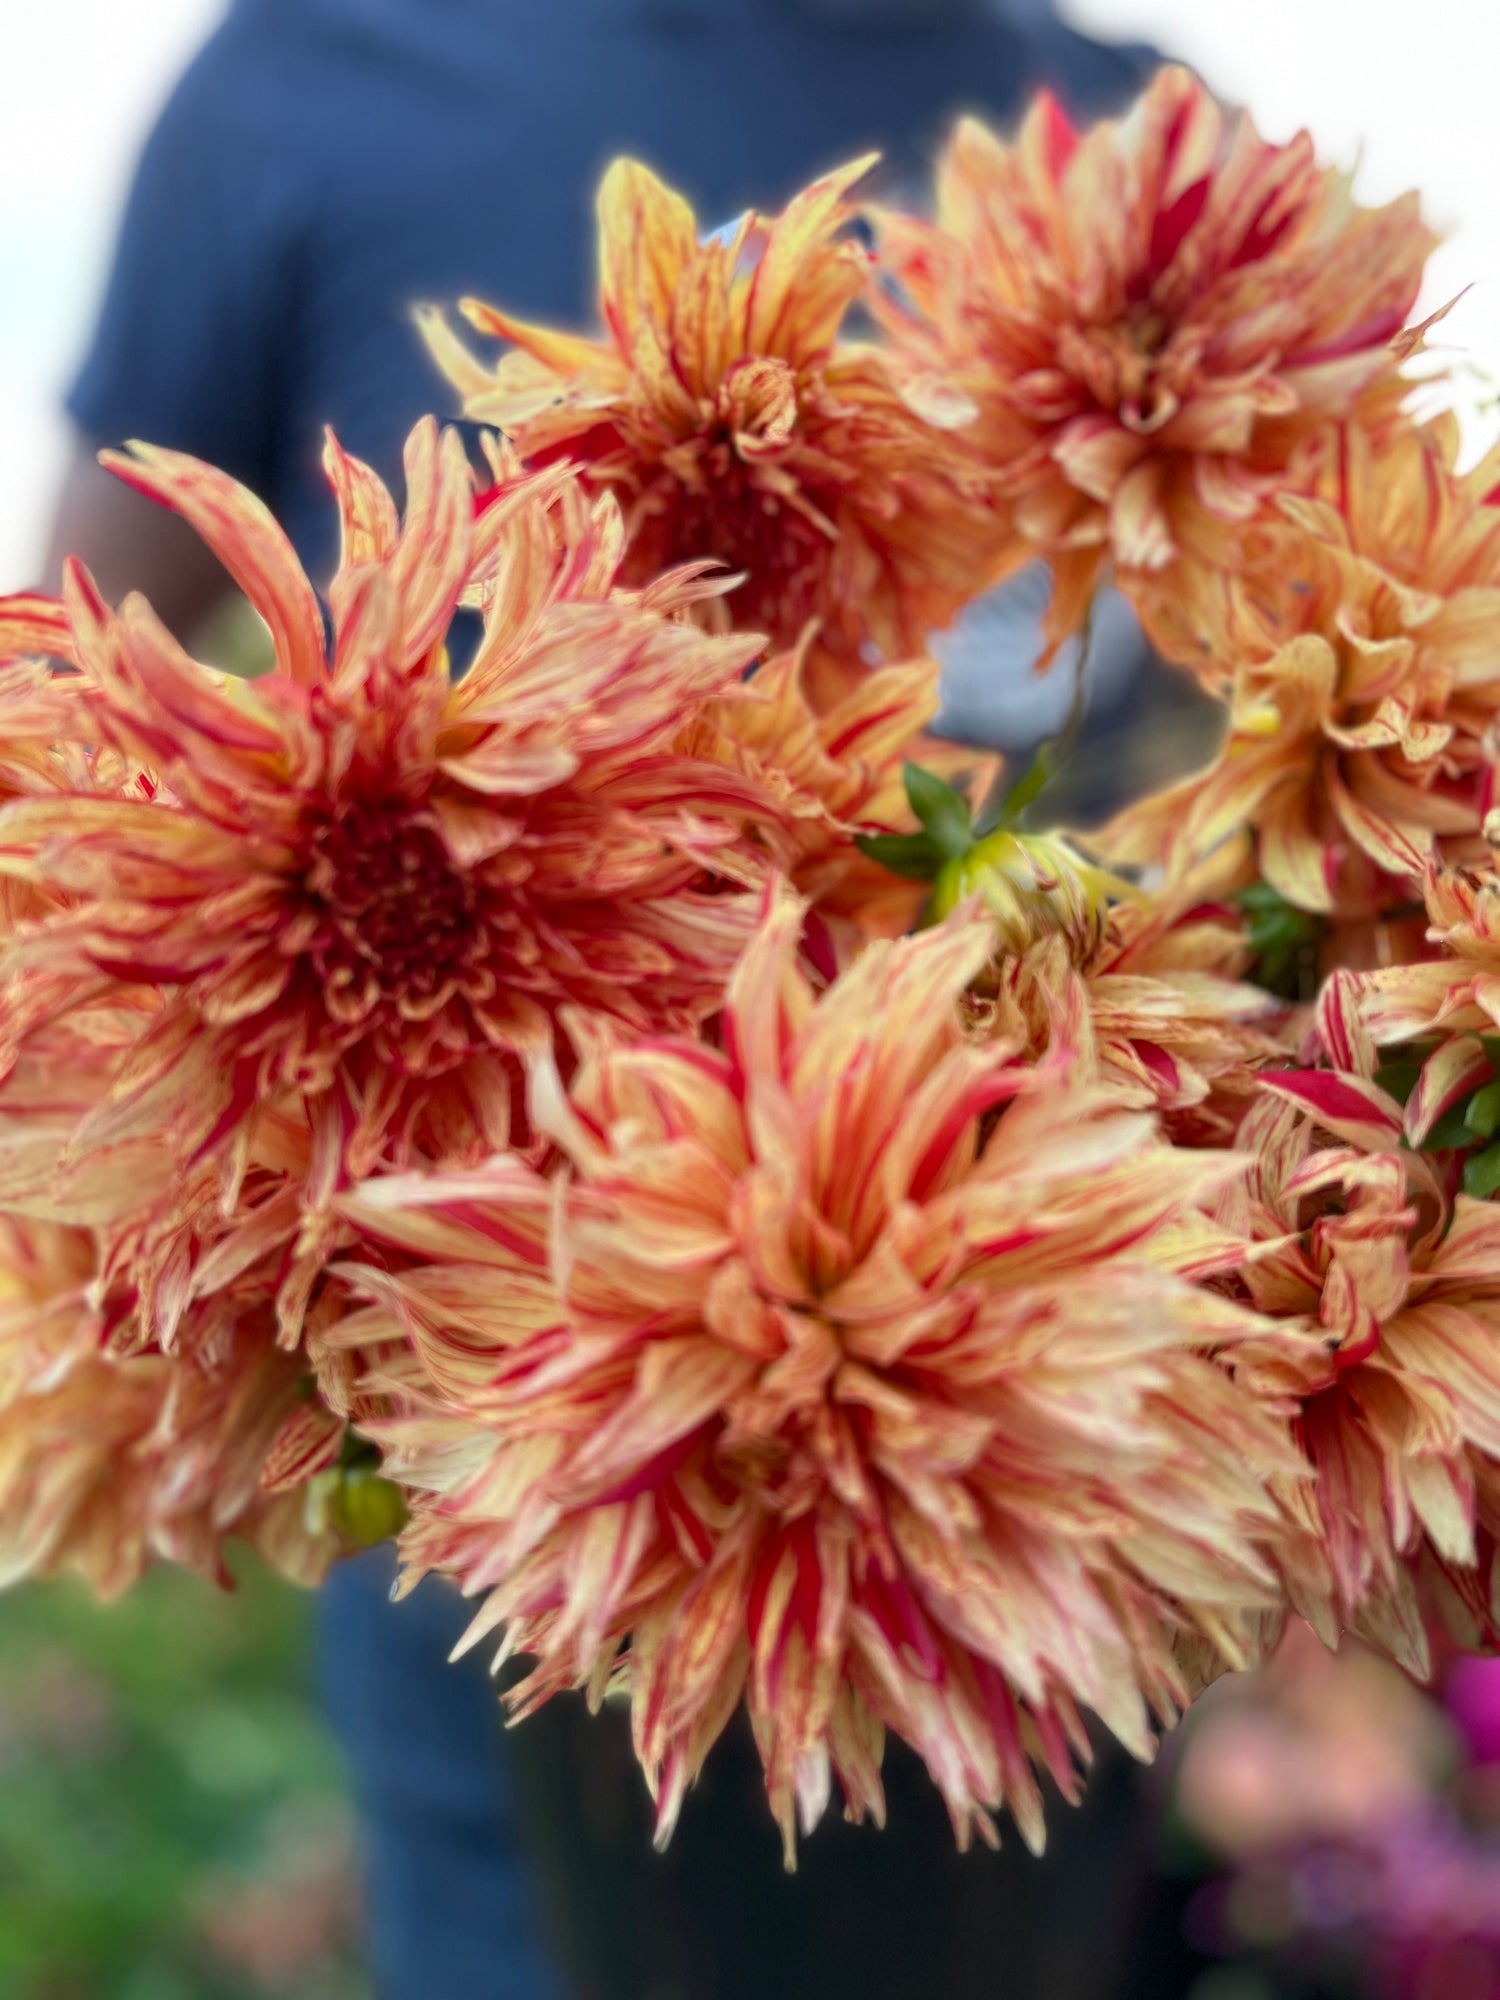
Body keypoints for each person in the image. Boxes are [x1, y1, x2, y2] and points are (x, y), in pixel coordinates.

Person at [49, 3, 1166, 1994]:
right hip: (496, 1511)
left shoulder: (1139, 145)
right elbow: (60, 685)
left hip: (1010, 1462)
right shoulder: (311, 75)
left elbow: (1215, 773)